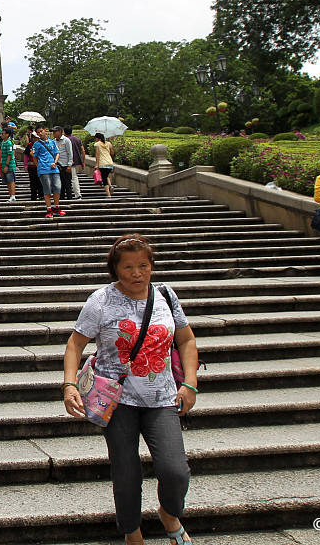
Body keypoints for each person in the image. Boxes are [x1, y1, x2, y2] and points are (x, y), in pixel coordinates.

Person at [63, 234, 198, 545]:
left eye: (143, 265)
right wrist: (70, 384)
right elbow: (75, 344)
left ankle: (169, 513)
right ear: (115, 269)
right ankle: (132, 531)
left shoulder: (165, 294)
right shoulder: (101, 300)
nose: (137, 273)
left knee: (175, 470)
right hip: (117, 400)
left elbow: (186, 339)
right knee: (126, 474)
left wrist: (190, 383)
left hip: (162, 397)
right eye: (128, 267)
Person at [32, 125, 63, 218]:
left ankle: (56, 207)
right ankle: (49, 208)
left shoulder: (52, 142)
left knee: (57, 187)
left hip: (54, 168)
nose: (40, 133)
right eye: (38, 133)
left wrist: (55, 162)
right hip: (43, 169)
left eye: (41, 131)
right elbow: (34, 156)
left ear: (45, 131)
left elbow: (57, 153)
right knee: (47, 189)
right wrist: (38, 166)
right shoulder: (36, 144)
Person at [53, 125, 81, 201]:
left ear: (60, 132)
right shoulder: (54, 141)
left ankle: (69, 198)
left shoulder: (66, 140)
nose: (53, 133)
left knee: (67, 183)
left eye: (55, 132)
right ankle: (61, 198)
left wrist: (69, 165)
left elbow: (70, 153)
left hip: (65, 165)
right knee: (59, 183)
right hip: (58, 165)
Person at [0, 126, 18, 202]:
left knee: (11, 180)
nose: (1, 135)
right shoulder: (3, 142)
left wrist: (6, 165)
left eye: (3, 133)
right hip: (4, 164)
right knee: (7, 181)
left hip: (9, 165)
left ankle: (13, 196)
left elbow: (10, 154)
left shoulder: (9, 142)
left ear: (7, 134)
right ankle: (11, 196)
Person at [22, 130, 44, 202]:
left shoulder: (42, 144)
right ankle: (33, 196)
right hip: (32, 166)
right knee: (33, 182)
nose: (34, 139)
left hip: (40, 166)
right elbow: (26, 155)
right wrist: (25, 165)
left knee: (40, 181)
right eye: (33, 137)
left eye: (36, 137)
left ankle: (41, 195)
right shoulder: (30, 145)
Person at [94, 133, 116, 198]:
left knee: (104, 178)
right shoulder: (108, 143)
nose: (95, 139)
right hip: (110, 162)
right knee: (106, 176)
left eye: (96, 138)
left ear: (99, 138)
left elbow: (97, 155)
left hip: (102, 163)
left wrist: (97, 165)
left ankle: (108, 195)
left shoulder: (97, 144)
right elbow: (112, 153)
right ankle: (111, 186)